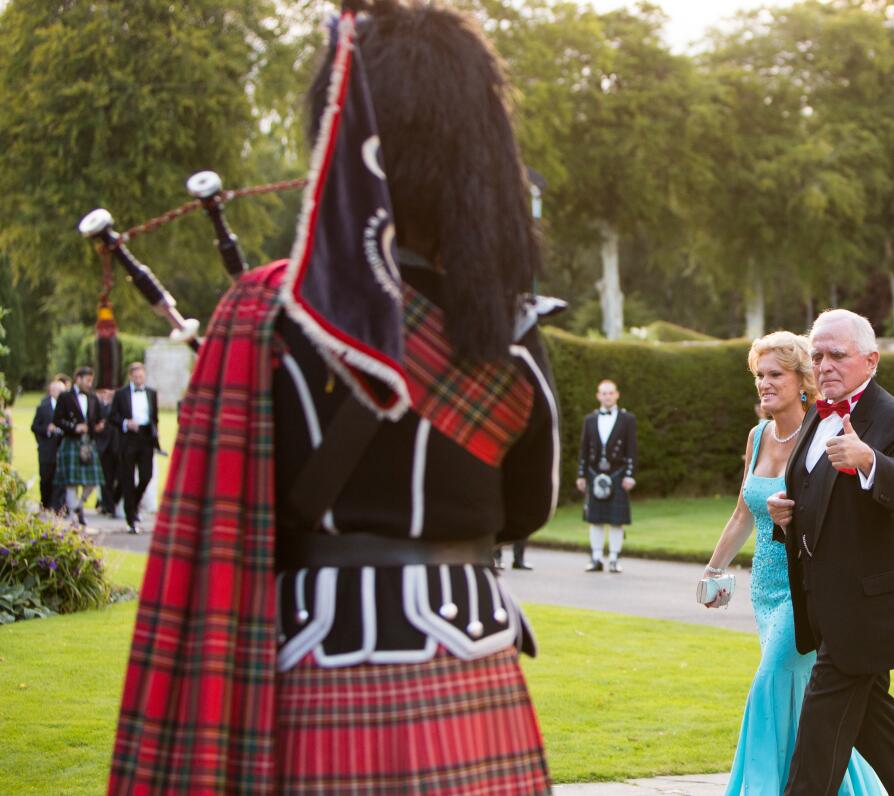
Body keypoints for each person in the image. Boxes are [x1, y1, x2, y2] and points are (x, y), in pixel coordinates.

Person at [110, 4, 558, 793]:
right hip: (472, 666)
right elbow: (525, 512)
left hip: (311, 663)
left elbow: (227, 519)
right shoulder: (509, 332)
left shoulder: (263, 314)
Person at [702, 332, 885, 796]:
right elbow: (744, 511)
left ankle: (761, 788)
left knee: (770, 682)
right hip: (764, 587)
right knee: (802, 697)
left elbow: (836, 511)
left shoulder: (819, 432)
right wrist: (713, 569)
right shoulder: (758, 435)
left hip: (805, 585)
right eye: (759, 376)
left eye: (774, 375)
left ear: (802, 382)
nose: (764, 384)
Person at [767, 309, 894, 796]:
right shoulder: (814, 421)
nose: (824, 366)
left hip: (866, 612)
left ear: (871, 359)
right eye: (817, 356)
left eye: (837, 355)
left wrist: (870, 462)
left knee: (817, 741)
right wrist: (787, 518)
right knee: (878, 732)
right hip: (825, 609)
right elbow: (820, 510)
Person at [576, 379, 637, 572]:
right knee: (595, 520)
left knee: (616, 521)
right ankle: (595, 558)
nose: (607, 396)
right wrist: (581, 475)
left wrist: (629, 475)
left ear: (617, 395)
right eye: (604, 393)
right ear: (598, 396)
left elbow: (632, 449)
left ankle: (613, 559)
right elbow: (583, 450)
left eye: (610, 393)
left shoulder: (628, 419)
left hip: (617, 473)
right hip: (595, 473)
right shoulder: (590, 419)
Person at [108, 362, 158, 534]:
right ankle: (131, 518)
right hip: (128, 438)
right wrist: (125, 423)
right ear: (130, 377)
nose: (138, 379)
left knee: (146, 476)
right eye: (135, 377)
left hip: (145, 438)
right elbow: (112, 416)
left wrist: (155, 436)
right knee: (127, 479)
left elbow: (155, 417)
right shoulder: (121, 394)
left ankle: (133, 504)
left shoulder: (151, 393)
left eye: (141, 376)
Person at [52, 366, 105, 527]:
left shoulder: (93, 397)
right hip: (71, 442)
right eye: (87, 381)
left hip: (88, 443)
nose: (90, 384)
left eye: (91, 381)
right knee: (71, 483)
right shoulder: (65, 397)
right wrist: (73, 427)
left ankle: (78, 506)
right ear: (78, 379)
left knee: (92, 482)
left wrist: (98, 426)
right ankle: (74, 517)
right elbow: (57, 420)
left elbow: (98, 418)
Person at [30, 376, 67, 511]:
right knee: (46, 478)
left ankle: (59, 507)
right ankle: (45, 504)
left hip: (62, 448)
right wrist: (47, 429)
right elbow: (34, 427)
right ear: (51, 391)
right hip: (47, 448)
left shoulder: (67, 408)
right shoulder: (43, 407)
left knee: (62, 480)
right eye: (58, 391)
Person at [94, 387, 122, 518]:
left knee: (121, 478)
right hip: (105, 447)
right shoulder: (100, 408)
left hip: (119, 447)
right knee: (106, 479)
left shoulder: (121, 409)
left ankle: (113, 502)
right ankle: (108, 506)